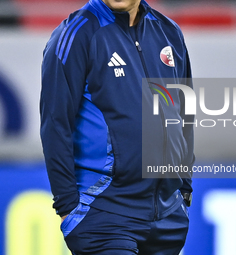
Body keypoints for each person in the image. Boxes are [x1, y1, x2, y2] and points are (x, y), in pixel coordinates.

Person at [40, 0, 195, 254]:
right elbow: (55, 124)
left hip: (168, 217)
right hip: (105, 215)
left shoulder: (169, 32)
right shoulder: (76, 34)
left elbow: (184, 115)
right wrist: (68, 208)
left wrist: (183, 192)